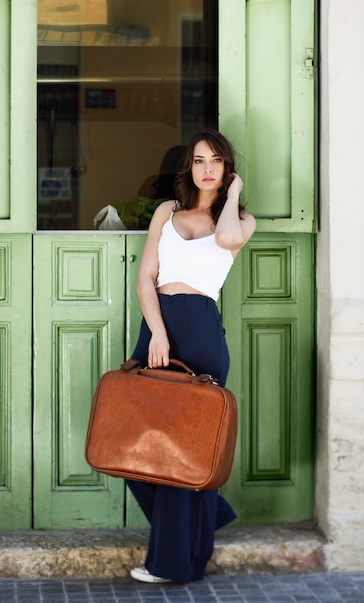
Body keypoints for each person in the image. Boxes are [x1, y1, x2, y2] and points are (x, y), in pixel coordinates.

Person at [127, 128, 256, 584]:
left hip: (201, 331)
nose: (207, 170)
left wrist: (233, 192)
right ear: (189, 166)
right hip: (158, 328)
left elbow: (224, 242)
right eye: (199, 161)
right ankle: (207, 519)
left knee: (185, 452)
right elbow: (146, 278)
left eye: (216, 162)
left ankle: (170, 565)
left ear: (227, 168)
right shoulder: (166, 211)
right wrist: (157, 333)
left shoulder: (241, 222)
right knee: (133, 447)